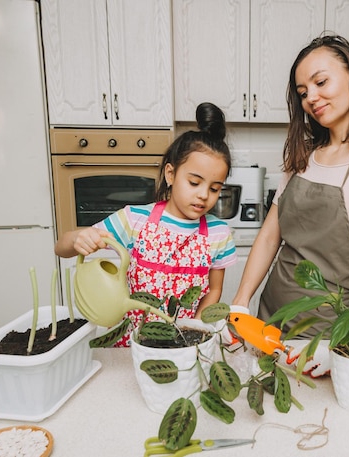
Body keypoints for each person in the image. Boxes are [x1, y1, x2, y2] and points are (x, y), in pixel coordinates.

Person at [231, 35, 349, 372]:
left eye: (320, 82)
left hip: (327, 331)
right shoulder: (303, 155)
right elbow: (270, 238)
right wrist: (241, 302)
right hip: (269, 313)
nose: (311, 98)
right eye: (302, 93)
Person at [55, 102, 238, 347]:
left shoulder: (218, 233)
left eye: (214, 188)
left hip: (182, 343)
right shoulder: (135, 219)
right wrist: (77, 239)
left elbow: (214, 290)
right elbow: (61, 248)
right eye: (194, 183)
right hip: (132, 343)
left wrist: (196, 332)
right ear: (171, 174)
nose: (204, 195)